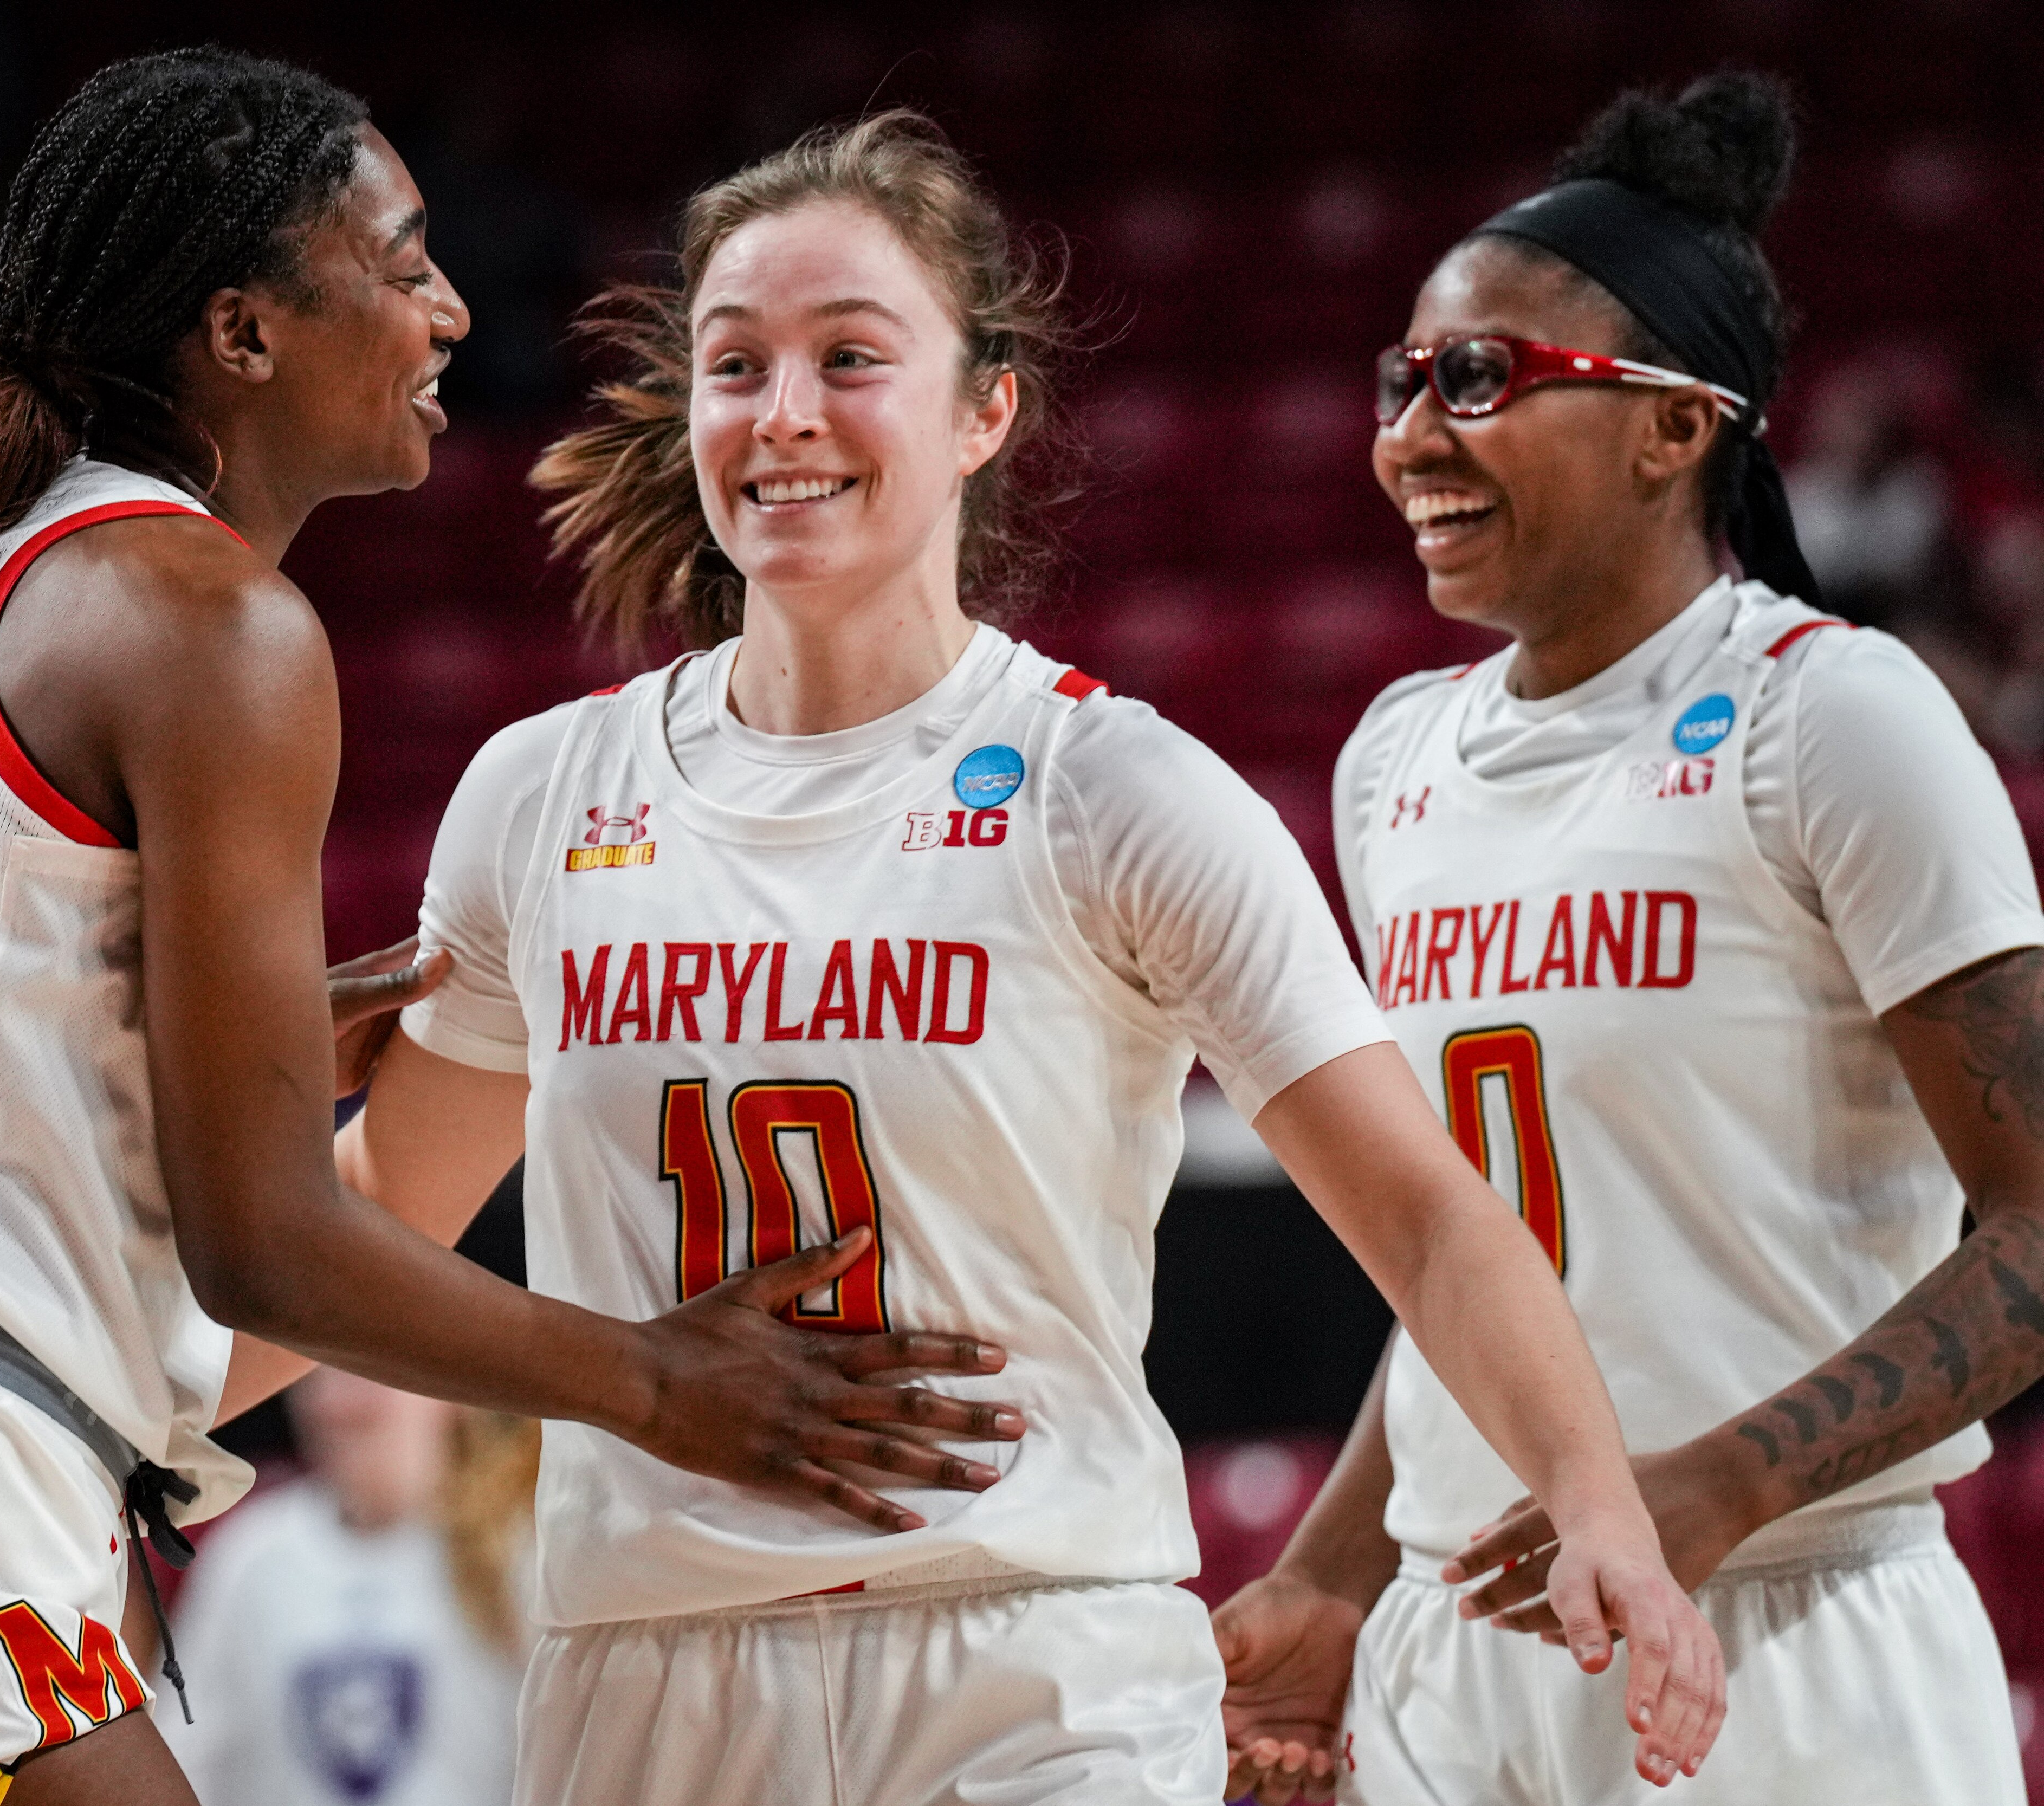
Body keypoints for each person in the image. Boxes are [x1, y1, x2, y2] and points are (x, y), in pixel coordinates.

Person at [0, 48, 1018, 1806]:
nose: (448, 307)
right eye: (402, 261)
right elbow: (267, 1248)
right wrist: (655, 1377)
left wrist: (123, 1044)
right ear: (245, 332)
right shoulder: (217, 630)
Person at [340, 111, 1723, 1806]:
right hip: (645, 1674)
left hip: (1030, 1666)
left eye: (850, 357)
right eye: (732, 363)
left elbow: (1431, 1217)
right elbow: (375, 1206)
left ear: (982, 407)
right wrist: (96, 1408)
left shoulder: (1109, 788)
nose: (781, 415)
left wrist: (1602, 1512)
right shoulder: (541, 795)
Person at [1213, 74, 2041, 1805]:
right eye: (1397, 382)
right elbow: (1473, 1254)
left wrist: (1718, 1484)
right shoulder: (1393, 764)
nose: (1406, 437)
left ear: (1675, 426)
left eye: (1475, 382)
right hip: (1469, 1638)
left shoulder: (1830, 719)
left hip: (1785, 1627)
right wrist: (1336, 1568)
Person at [159, 1370, 536, 1806]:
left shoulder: (518, 1550)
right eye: (316, 1378)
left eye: (367, 1378)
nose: (335, 1406)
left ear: (449, 1390)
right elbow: (183, 1755)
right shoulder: (250, 1553)